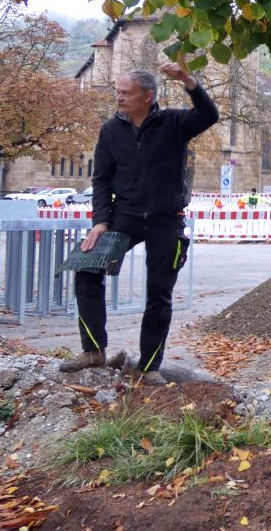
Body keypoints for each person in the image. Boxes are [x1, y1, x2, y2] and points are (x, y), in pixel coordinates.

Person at [61, 63, 219, 384]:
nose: (119, 97)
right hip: (125, 217)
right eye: (118, 92)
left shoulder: (174, 123)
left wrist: (189, 81)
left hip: (166, 221)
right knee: (86, 270)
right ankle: (93, 350)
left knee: (158, 294)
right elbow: (102, 180)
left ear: (147, 96)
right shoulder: (110, 130)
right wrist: (100, 222)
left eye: (126, 93)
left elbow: (209, 115)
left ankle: (149, 367)